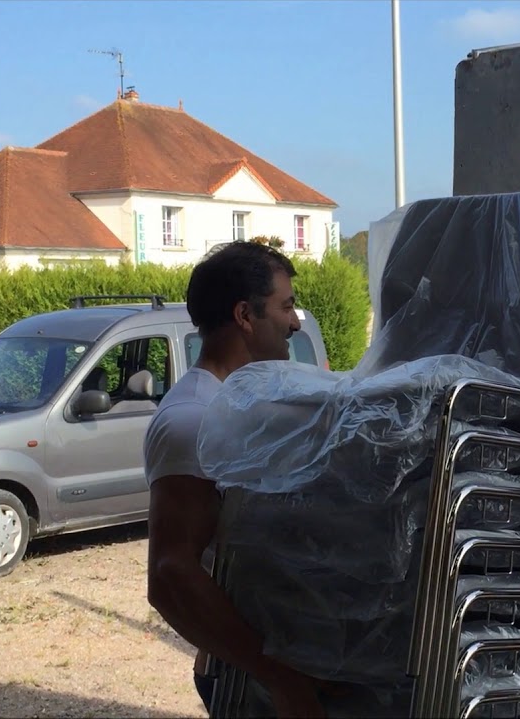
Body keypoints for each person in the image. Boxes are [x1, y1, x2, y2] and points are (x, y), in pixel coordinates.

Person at [143, 241, 323, 718]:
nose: (296, 322)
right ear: (245, 314)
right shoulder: (194, 418)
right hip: (250, 681)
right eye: (285, 307)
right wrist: (281, 678)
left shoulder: (237, 404)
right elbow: (170, 575)